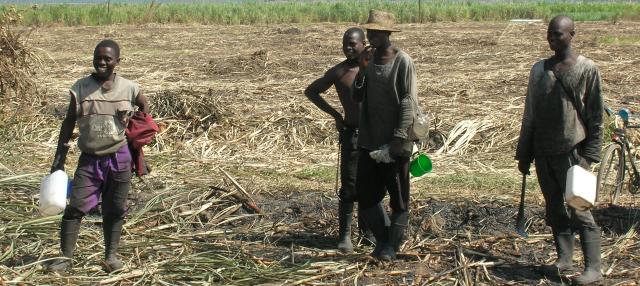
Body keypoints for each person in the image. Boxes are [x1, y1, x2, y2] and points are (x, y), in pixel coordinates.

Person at [46, 39, 150, 273]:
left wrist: (139, 146)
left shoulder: (130, 88)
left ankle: (111, 257)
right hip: (90, 158)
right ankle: (65, 258)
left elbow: (144, 110)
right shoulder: (80, 88)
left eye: (107, 59)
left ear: (117, 62)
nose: (101, 62)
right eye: (98, 57)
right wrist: (59, 158)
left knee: (115, 208)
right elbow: (68, 122)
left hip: (120, 157)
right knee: (75, 209)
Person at [516, 16, 604, 285]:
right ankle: (564, 260)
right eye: (549, 34)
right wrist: (524, 152)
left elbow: (596, 116)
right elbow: (529, 114)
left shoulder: (587, 69)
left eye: (558, 34)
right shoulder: (538, 70)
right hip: (544, 151)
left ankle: (593, 269)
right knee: (554, 208)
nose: (552, 39)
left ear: (572, 34)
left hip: (572, 151)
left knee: (580, 208)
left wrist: (590, 156)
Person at [352, 10, 418, 261]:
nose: (372, 36)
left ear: (388, 34)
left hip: (396, 142)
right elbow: (357, 97)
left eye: (377, 32)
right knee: (366, 196)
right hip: (369, 140)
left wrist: (397, 141)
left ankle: (390, 247)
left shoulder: (403, 62)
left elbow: (408, 102)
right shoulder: (368, 61)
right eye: (370, 32)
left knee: (399, 198)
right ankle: (384, 239)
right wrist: (362, 69)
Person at [304, 27, 375, 253]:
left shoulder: (376, 68)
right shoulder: (340, 72)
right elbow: (312, 91)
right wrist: (336, 115)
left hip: (374, 136)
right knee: (349, 187)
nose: (348, 48)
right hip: (352, 134)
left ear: (364, 43)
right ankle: (345, 236)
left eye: (353, 44)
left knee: (371, 186)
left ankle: (368, 232)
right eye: (345, 44)